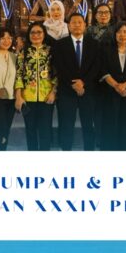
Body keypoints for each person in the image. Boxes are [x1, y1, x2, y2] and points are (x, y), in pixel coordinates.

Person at [51, 13, 101, 151]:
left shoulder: (94, 44)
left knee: (88, 124)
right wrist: (74, 84)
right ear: (68, 26)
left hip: (88, 90)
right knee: (66, 124)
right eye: (74, 22)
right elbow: (59, 67)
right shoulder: (60, 45)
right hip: (67, 91)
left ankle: (89, 152)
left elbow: (96, 66)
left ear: (85, 25)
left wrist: (83, 82)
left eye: (80, 22)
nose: (77, 25)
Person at [99, 23, 126, 150]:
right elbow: (104, 71)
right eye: (119, 32)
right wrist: (116, 86)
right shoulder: (106, 50)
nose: (122, 35)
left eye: (125, 32)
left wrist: (125, 85)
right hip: (111, 92)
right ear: (114, 34)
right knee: (111, 121)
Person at [14, 23, 56, 150]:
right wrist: (18, 96)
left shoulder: (51, 51)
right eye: (32, 32)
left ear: (44, 34)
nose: (36, 35)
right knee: (30, 129)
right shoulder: (24, 51)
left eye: (39, 32)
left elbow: (57, 73)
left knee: (45, 130)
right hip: (27, 97)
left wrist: (53, 92)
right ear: (28, 35)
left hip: (46, 97)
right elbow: (19, 74)